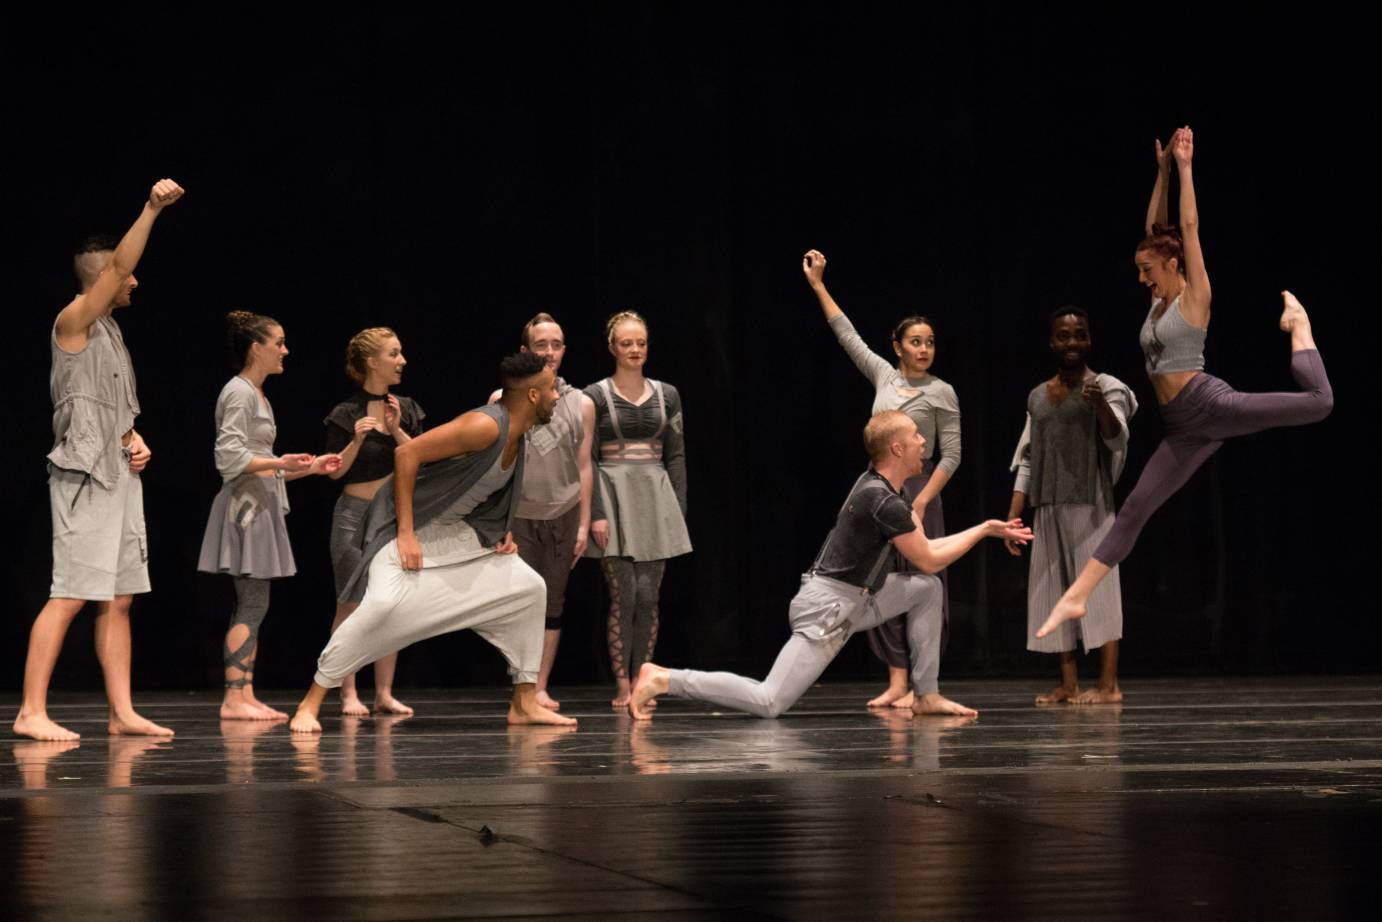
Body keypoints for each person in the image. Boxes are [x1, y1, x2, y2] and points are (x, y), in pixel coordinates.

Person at [1039, 127, 1333, 639]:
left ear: (1173, 265)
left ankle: (1301, 328)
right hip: (1182, 428)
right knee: (1136, 507)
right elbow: (1157, 226)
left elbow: (1188, 226)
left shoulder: (1196, 294)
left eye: (1147, 268)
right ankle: (1076, 597)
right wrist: (1161, 173)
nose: (1140, 278)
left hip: (1209, 405)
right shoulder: (1156, 301)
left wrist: (1187, 167)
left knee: (1319, 402)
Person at [628, 410, 1030, 720]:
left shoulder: (879, 486)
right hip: (829, 608)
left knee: (927, 590)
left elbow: (924, 555)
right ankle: (664, 678)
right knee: (770, 700)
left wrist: (986, 527)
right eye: (916, 436)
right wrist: (982, 532)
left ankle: (926, 695)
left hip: (857, 600)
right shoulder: (883, 500)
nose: (924, 442)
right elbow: (927, 557)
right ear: (897, 449)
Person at [289, 352, 577, 733]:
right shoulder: (485, 425)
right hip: (408, 531)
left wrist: (497, 533)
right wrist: (406, 533)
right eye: (552, 389)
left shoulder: (517, 434)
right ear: (534, 396)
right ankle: (310, 701)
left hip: (456, 535)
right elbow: (407, 453)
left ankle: (524, 701)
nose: (558, 396)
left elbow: (480, 495)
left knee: (529, 589)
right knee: (380, 609)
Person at [14, 179, 184, 742]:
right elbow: (118, 270)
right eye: (125, 272)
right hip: (84, 479)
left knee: (119, 597)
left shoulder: (111, 332)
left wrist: (135, 438)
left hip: (118, 476)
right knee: (68, 594)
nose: (136, 279)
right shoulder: (75, 323)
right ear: (103, 275)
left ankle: (122, 711)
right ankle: (31, 710)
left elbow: (111, 410)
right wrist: (151, 209)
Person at [802, 249, 961, 709]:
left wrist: (923, 500)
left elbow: (952, 454)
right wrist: (818, 285)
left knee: (924, 580)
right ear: (897, 346)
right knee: (883, 578)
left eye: (930, 341)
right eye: (915, 341)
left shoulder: (942, 392)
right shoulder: (883, 377)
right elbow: (846, 333)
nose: (924, 348)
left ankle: (923, 682)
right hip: (880, 489)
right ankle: (897, 680)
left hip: (921, 487)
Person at [198, 312, 342, 720]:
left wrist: (308, 467)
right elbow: (228, 457)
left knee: (254, 603)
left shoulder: (258, 395)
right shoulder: (239, 393)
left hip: (260, 503)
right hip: (246, 508)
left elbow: (261, 461)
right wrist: (277, 461)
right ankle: (234, 697)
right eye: (278, 343)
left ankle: (243, 694)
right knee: (251, 601)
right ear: (255, 348)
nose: (285, 350)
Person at [1007, 308, 1137, 704]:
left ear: (1089, 342)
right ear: (1052, 343)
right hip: (1047, 503)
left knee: (1099, 590)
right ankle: (1068, 683)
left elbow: (1117, 437)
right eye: (1063, 336)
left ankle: (1108, 685)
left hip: (1091, 502)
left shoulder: (1106, 385)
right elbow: (1027, 457)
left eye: (1079, 335)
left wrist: (1099, 406)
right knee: (1054, 592)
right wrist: (1013, 514)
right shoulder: (1037, 396)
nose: (1071, 343)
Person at [488, 313, 597, 710]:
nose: (549, 352)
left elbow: (585, 465)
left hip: (563, 513)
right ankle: (520, 685)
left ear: (564, 350)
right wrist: (500, 521)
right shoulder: (502, 400)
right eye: (540, 345)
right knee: (519, 603)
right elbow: (497, 465)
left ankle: (539, 687)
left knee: (552, 604)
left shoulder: (582, 403)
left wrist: (584, 522)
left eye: (556, 345)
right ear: (525, 351)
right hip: (520, 515)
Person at [585, 312, 690, 708]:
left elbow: (676, 455)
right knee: (623, 595)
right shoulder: (594, 396)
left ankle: (642, 679)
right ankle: (623, 685)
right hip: (613, 494)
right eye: (626, 343)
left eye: (640, 343)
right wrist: (596, 511)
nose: (634, 350)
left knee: (649, 596)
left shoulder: (668, 394)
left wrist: (676, 509)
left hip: (654, 493)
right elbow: (588, 460)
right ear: (612, 347)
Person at [323, 327, 425, 716]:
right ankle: (348, 691)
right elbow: (334, 472)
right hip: (354, 514)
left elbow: (421, 460)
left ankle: (384, 692)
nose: (402, 361)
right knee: (350, 603)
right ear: (371, 362)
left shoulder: (408, 408)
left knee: (390, 604)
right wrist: (356, 440)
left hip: (392, 517)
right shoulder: (346, 414)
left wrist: (398, 428)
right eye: (394, 354)